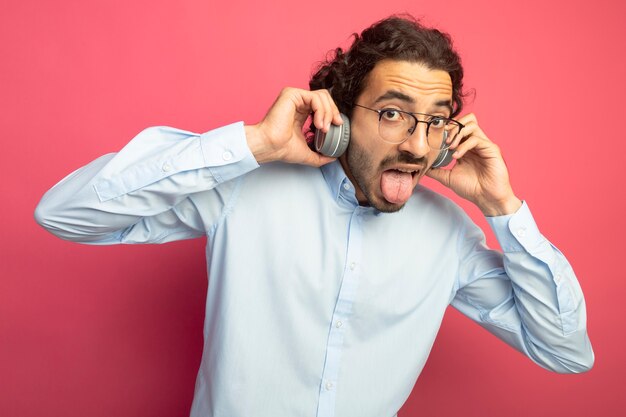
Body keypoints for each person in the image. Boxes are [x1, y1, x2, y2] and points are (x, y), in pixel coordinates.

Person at [35, 15, 593, 417]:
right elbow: (66, 215)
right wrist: (251, 145)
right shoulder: (243, 188)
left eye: (436, 122)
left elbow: (565, 353)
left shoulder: (448, 238)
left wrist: (502, 206)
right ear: (340, 111)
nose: (418, 146)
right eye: (394, 113)